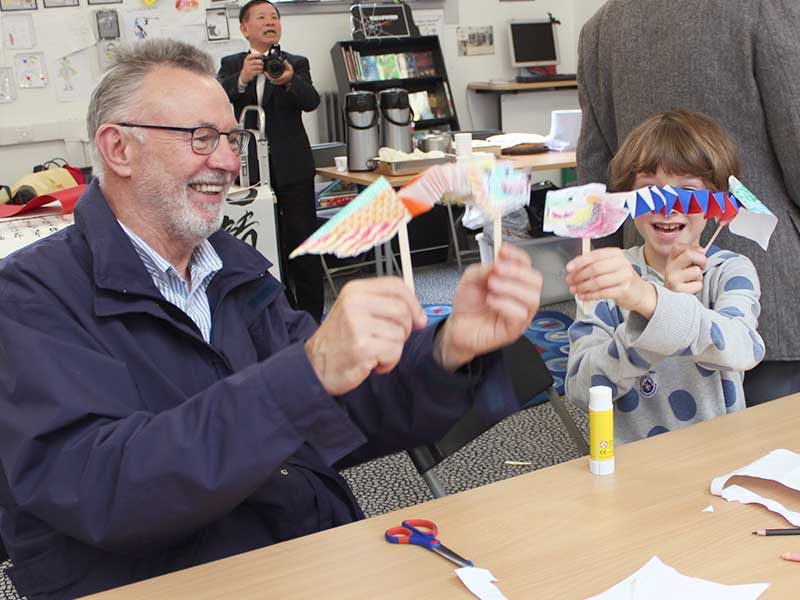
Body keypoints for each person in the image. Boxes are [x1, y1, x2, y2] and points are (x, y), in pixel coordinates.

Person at [0, 40, 543, 599]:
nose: (229, 161)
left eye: (233, 139)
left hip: (299, 558)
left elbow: (343, 411)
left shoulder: (235, 274)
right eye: (201, 138)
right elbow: (101, 489)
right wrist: (303, 376)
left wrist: (448, 350)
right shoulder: (30, 298)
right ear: (119, 149)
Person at [576, 0, 800, 405]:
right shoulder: (766, 7)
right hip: (769, 269)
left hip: (656, 262)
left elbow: (595, 164)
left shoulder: (600, 27)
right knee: (772, 451)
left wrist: (604, 270)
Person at [565, 111, 764, 444]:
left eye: (688, 191)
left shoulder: (730, 270)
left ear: (716, 202)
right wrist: (643, 312)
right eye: (648, 192)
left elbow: (744, 348)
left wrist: (656, 303)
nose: (668, 207)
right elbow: (584, 389)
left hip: (721, 452)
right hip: (635, 462)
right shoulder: (609, 277)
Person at [217, 0, 323, 322]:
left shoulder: (295, 63)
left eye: (275, 17)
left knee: (303, 245)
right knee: (263, 245)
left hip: (293, 167)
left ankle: (311, 319)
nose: (270, 22)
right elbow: (218, 99)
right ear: (244, 28)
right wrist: (242, 80)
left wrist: (289, 80)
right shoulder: (231, 63)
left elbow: (311, 101)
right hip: (250, 168)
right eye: (261, 17)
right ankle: (277, 315)